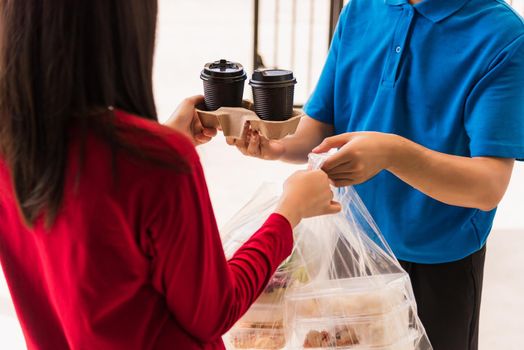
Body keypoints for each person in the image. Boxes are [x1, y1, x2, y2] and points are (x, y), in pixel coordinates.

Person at [0, 1, 341, 349]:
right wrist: (289, 213)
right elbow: (216, 311)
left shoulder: (13, 152)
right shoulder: (155, 162)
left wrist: (162, 143)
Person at [228, 0, 524, 349]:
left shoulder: (501, 36)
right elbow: (320, 127)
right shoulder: (361, 9)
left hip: (436, 265)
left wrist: (392, 153)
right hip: (347, 249)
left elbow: (487, 186)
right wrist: (276, 146)